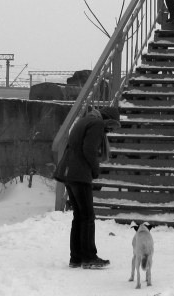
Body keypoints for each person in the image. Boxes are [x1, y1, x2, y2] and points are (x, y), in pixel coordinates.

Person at [53, 106, 121, 269]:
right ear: (107, 119)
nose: (110, 131)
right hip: (79, 174)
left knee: (79, 216)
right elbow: (89, 149)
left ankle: (76, 257)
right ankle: (89, 257)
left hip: (69, 173)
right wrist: (95, 169)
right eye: (111, 127)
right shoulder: (97, 124)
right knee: (88, 217)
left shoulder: (85, 120)